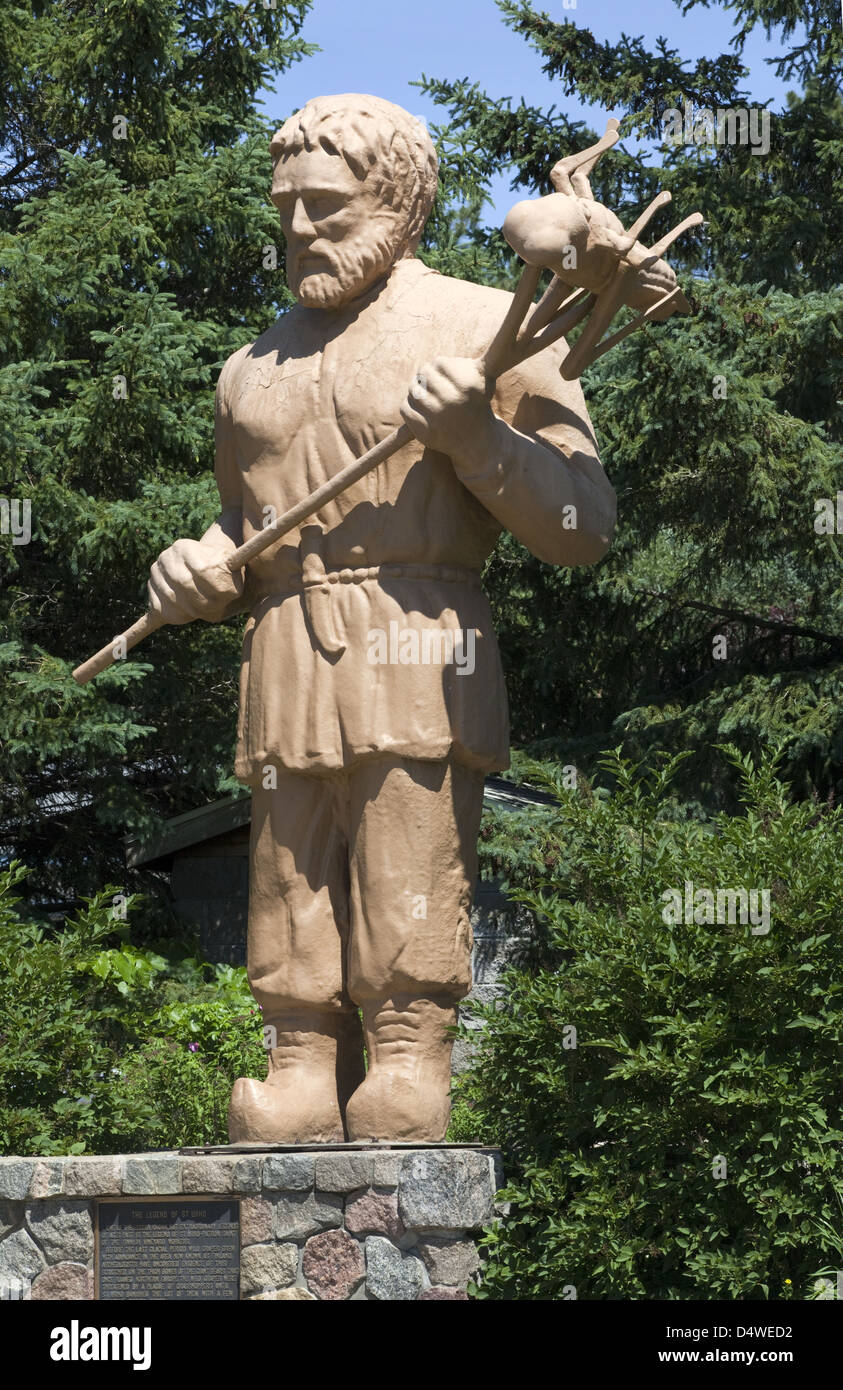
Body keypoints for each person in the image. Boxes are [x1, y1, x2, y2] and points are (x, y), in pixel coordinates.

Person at [146, 94, 616, 1143]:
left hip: (419, 632)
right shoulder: (251, 367)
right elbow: (243, 526)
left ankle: (407, 1056)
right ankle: (300, 1063)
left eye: (325, 205)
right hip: (287, 645)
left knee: (409, 847)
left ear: (397, 199)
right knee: (288, 862)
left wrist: (477, 440)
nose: (299, 230)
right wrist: (197, 570)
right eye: (285, 210)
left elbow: (585, 523)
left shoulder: (489, 324)